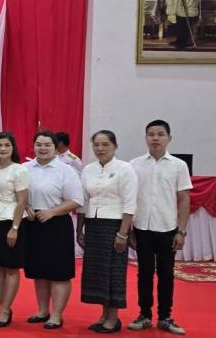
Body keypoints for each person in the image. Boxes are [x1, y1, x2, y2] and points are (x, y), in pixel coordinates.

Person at [128, 120, 192, 335]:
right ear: (145, 138)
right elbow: (129, 199)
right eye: (151, 134)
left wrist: (181, 231)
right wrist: (128, 230)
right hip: (141, 228)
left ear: (169, 138)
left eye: (160, 134)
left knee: (166, 273)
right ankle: (144, 315)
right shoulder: (134, 164)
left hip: (167, 228)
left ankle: (165, 317)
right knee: (144, 273)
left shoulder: (178, 165)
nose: (155, 138)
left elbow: (184, 199)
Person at [78, 130, 137, 334]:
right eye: (96, 145)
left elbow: (130, 204)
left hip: (114, 226)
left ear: (115, 146)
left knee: (113, 272)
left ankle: (114, 319)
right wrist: (80, 230)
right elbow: (84, 202)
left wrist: (123, 233)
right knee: (98, 273)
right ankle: (103, 315)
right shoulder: (88, 169)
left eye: (105, 144)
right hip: (93, 226)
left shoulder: (125, 169)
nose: (100, 149)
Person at [23, 131, 84, 329]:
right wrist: (26, 207)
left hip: (56, 224)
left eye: (47, 144)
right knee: (39, 271)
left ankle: (56, 315)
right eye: (39, 144)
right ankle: (42, 310)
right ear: (33, 146)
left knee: (59, 273)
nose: (42, 148)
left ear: (55, 147)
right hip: (32, 223)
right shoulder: (25, 168)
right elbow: (18, 194)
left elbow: (76, 199)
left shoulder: (65, 170)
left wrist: (52, 212)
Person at [0, 131, 30, 328]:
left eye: (7, 145)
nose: (3, 148)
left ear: (13, 148)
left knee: (11, 268)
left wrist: (15, 228)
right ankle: (4, 308)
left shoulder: (19, 171)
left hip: (13, 221)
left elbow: (22, 202)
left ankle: (4, 310)